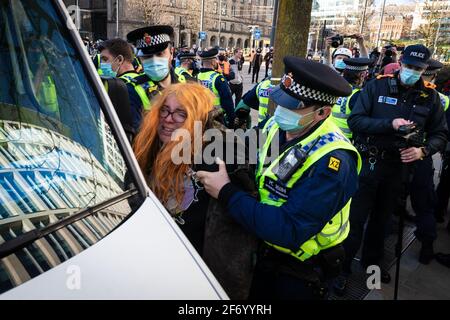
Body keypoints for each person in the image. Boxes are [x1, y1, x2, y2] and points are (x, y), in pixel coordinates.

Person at [196, 56, 361, 300]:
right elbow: (243, 147)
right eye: (281, 101)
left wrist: (226, 192)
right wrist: (203, 138)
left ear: (322, 113)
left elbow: (289, 229)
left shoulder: (333, 160)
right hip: (263, 248)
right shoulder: (280, 126)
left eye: (292, 106)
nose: (281, 110)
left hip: (300, 269)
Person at [335, 44, 448, 294]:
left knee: (382, 223)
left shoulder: (430, 97)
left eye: (417, 68)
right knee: (354, 221)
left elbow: (440, 134)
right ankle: (341, 271)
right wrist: (391, 124)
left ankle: (371, 268)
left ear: (424, 69)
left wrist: (424, 150)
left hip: (399, 169)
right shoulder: (377, 86)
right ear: (401, 63)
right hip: (369, 163)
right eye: (408, 66)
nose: (411, 71)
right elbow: (356, 121)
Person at [132, 82, 258, 299]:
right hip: (153, 259)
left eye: (181, 114)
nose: (168, 119)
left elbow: (236, 232)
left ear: (197, 119)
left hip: (197, 270)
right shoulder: (148, 145)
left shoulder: (217, 153)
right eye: (165, 110)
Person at [99, 38, 153, 134]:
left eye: (105, 59)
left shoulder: (121, 87)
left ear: (119, 59)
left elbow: (129, 130)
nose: (101, 65)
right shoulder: (144, 80)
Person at [331, 57, 371, 139]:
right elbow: (362, 122)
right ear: (361, 75)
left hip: (329, 134)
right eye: (366, 73)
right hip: (346, 139)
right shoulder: (356, 94)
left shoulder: (334, 87)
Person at [197, 48, 235, 128]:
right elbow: (227, 101)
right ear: (213, 61)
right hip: (216, 118)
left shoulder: (197, 76)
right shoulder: (218, 78)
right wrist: (232, 119)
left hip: (201, 116)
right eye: (216, 59)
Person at [235, 60, 274, 125]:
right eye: (269, 68)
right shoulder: (285, 86)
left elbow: (247, 99)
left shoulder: (263, 84)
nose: (269, 70)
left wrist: (259, 104)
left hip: (263, 123)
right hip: (276, 125)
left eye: (271, 68)